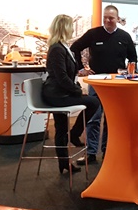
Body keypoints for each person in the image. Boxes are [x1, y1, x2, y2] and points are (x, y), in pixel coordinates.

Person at [70, 5, 137, 164]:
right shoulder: (93, 34)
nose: (107, 20)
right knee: (93, 118)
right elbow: (75, 48)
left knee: (111, 119)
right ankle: (91, 153)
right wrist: (81, 68)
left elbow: (133, 58)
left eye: (111, 18)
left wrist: (128, 72)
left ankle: (108, 151)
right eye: (105, 17)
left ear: (117, 19)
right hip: (97, 82)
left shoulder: (124, 36)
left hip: (116, 84)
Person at [41, 14, 100, 174]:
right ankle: (74, 134)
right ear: (65, 28)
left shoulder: (62, 47)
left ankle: (64, 162)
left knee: (61, 128)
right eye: (71, 26)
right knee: (93, 102)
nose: (73, 29)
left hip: (61, 92)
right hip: (57, 94)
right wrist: (77, 90)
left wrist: (77, 82)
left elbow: (67, 75)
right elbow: (61, 77)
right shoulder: (57, 49)